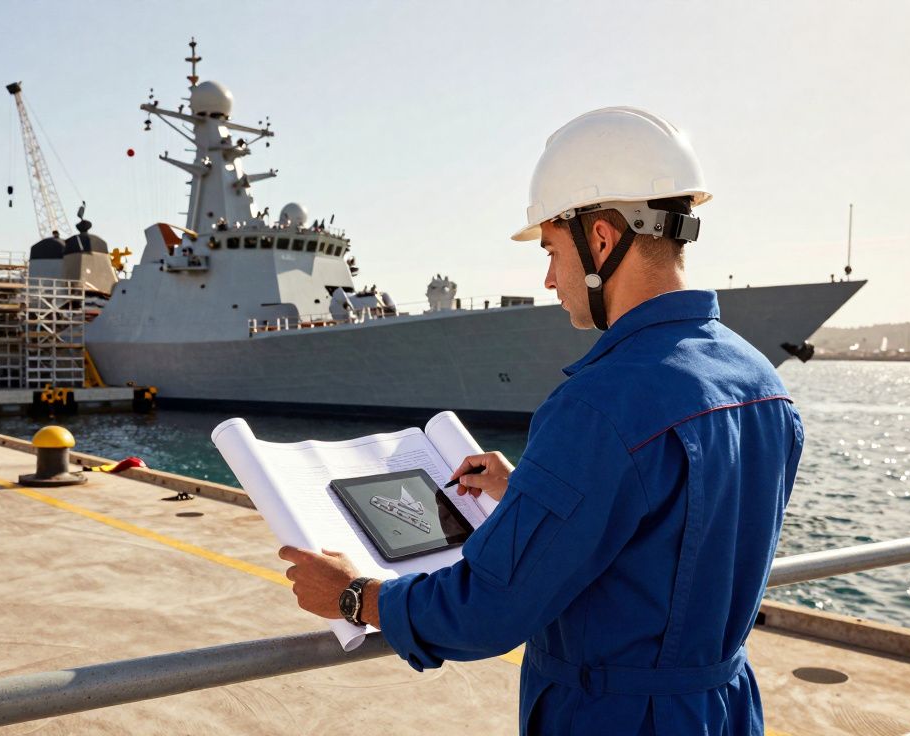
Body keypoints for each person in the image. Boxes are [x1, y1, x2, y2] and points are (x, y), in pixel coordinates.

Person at [279, 107, 803, 735]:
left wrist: (355, 597)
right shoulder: (764, 384)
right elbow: (675, 530)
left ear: (602, 240)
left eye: (553, 250)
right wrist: (527, 490)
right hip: (724, 711)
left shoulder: (599, 404)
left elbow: (488, 610)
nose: (549, 278)